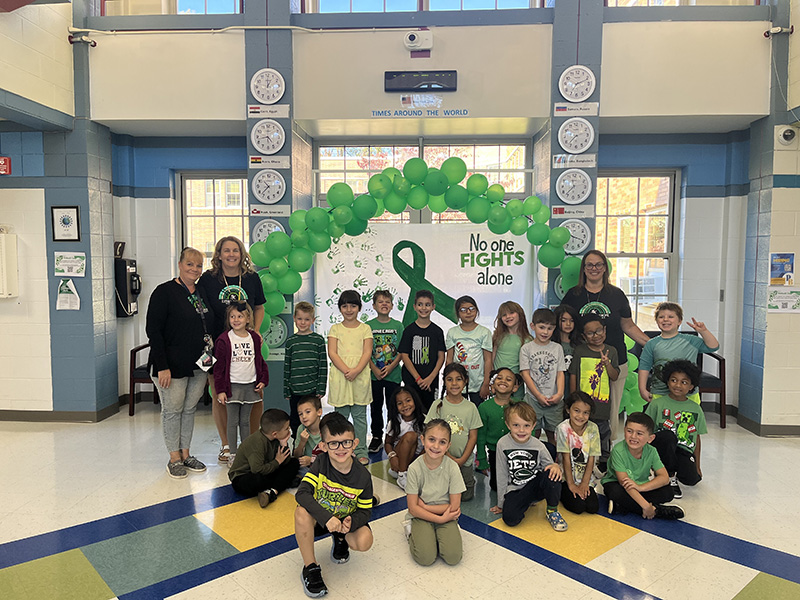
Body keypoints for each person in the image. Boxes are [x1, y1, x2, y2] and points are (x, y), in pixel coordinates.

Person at [562, 250, 650, 440]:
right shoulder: (573, 295)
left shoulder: (616, 295)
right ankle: (581, 451)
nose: (594, 269)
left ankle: (605, 455)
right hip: (583, 362)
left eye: (598, 264)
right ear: (584, 269)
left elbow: (628, 325)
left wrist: (651, 345)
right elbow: (565, 325)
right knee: (581, 409)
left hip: (614, 362)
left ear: (605, 268)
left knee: (609, 412)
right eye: (589, 265)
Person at [197, 236, 266, 464]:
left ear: (241, 253)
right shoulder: (208, 279)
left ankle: (251, 442)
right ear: (218, 254)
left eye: (235, 250)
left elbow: (259, 307)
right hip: (217, 346)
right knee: (219, 392)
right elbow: (201, 309)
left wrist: (254, 331)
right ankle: (227, 444)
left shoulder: (251, 278)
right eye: (226, 251)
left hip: (246, 345)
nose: (231, 255)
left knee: (252, 393)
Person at [146, 247, 211, 479]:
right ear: (180, 264)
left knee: (189, 409)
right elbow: (153, 331)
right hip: (170, 366)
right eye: (190, 264)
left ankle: (186, 454)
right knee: (173, 411)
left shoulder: (201, 291)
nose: (194, 269)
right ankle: (174, 458)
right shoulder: (164, 292)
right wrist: (162, 365)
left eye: (198, 265)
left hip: (198, 365)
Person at [295, 413, 374, 598]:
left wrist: (351, 523)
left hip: (343, 521)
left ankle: (340, 540)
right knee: (301, 513)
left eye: (346, 442)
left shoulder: (363, 476)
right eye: (333, 443)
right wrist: (326, 518)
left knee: (364, 541)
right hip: (321, 519)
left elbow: (365, 510)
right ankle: (310, 568)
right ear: (323, 446)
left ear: (354, 443)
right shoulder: (321, 463)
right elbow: (302, 493)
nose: (340, 448)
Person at [491, 402, 568, 531]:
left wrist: (555, 466)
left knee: (553, 474)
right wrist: (501, 504)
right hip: (515, 489)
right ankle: (526, 502)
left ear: (533, 426)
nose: (521, 430)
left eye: (526, 426)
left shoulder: (538, 445)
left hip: (534, 486)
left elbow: (550, 466)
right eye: (516, 425)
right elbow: (502, 474)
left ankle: (552, 511)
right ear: (508, 425)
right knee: (510, 519)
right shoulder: (502, 444)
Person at [213, 302, 270, 464]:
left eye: (240, 316)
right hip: (232, 387)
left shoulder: (253, 337)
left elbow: (260, 362)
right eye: (232, 316)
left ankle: (245, 452)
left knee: (245, 421)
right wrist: (221, 390)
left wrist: (263, 380)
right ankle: (232, 453)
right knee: (232, 421)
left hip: (250, 386)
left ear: (248, 319)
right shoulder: (224, 340)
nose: (236, 320)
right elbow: (219, 368)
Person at [405, 418, 466, 566]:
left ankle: (437, 535)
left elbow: (454, 506)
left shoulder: (452, 468)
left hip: (445, 514)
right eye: (432, 439)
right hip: (421, 516)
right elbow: (413, 508)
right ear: (423, 439)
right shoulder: (414, 468)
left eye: (442, 442)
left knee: (453, 557)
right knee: (425, 558)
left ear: (448, 446)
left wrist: (426, 507)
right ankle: (412, 531)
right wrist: (438, 519)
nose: (436, 446)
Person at [601, 412, 684, 520]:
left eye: (639, 433)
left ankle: (623, 506)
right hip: (618, 484)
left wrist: (640, 487)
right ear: (624, 430)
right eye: (629, 431)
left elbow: (664, 478)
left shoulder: (652, 451)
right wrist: (646, 506)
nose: (633, 436)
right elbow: (624, 482)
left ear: (650, 438)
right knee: (614, 492)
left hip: (639, 486)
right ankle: (657, 511)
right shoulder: (618, 450)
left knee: (667, 492)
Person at [645, 360, 706, 499]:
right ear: (667, 382)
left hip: (682, 450)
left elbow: (696, 438)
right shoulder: (657, 404)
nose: (678, 385)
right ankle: (669, 476)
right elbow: (645, 430)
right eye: (674, 380)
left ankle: (670, 471)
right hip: (661, 447)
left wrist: (697, 465)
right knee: (668, 436)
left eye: (684, 382)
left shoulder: (695, 408)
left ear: (691, 387)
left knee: (692, 479)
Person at [638, 302, 719, 405]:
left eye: (671, 317)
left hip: (688, 395)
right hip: (660, 393)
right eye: (661, 317)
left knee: (688, 421)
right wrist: (642, 389)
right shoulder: (651, 344)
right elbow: (644, 367)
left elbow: (714, 346)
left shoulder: (691, 341)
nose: (666, 319)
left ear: (679, 321)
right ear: (656, 320)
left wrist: (703, 331)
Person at [327, 290, 373, 465]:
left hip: (359, 376)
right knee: (340, 417)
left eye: (353, 305)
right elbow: (332, 352)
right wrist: (347, 370)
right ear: (340, 308)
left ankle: (361, 449)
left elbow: (367, 352)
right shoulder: (335, 328)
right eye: (345, 306)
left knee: (360, 417)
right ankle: (341, 450)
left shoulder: (365, 328)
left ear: (359, 308)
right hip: (341, 377)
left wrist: (356, 370)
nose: (349, 309)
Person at [568, 314, 620, 469]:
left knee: (603, 433)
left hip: (602, 406)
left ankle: (604, 462)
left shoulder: (612, 351)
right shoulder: (580, 351)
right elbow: (573, 375)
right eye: (590, 333)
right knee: (581, 433)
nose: (596, 336)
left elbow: (614, 376)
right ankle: (579, 460)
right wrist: (572, 400)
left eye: (599, 331)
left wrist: (607, 364)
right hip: (582, 405)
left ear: (604, 330)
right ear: (584, 336)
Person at [424, 363, 482, 501]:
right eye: (449, 379)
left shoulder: (471, 407)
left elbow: (473, 437)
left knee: (466, 496)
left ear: (465, 381)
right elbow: (429, 435)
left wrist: (462, 460)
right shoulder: (438, 405)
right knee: (439, 493)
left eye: (459, 379)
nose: (454, 383)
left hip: (464, 461)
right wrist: (448, 456)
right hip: (440, 459)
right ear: (444, 381)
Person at [228, 409, 299, 508]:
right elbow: (257, 470)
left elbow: (285, 461)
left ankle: (271, 492)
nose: (289, 430)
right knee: (258, 480)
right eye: (287, 428)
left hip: (266, 470)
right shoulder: (257, 442)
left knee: (294, 462)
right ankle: (281, 483)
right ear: (274, 433)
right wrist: (277, 462)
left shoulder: (276, 439)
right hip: (244, 477)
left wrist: (284, 444)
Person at [519, 308, 566, 447]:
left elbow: (560, 373)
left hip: (554, 400)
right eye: (542, 327)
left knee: (554, 434)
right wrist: (538, 395)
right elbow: (525, 374)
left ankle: (554, 462)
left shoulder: (557, 348)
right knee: (533, 433)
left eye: (550, 328)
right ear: (533, 326)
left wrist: (559, 394)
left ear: (554, 329)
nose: (545, 332)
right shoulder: (526, 348)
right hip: (533, 399)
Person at [366, 290, 404, 453]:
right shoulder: (368, 326)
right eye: (380, 301)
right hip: (374, 376)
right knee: (375, 407)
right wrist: (374, 368)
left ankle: (392, 436)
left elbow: (402, 351)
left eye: (387, 301)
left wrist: (391, 366)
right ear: (374, 306)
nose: (384, 304)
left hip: (393, 374)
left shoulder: (398, 326)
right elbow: (365, 351)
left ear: (392, 306)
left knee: (393, 407)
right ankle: (376, 437)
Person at [284, 301, 327, 436]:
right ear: (294, 319)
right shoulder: (291, 342)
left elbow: (323, 366)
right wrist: (286, 389)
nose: (303, 322)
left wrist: (321, 388)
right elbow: (287, 367)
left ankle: (315, 449)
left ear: (313, 320)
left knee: (313, 420)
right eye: (300, 319)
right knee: (296, 420)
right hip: (295, 390)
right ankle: (298, 448)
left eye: (307, 319)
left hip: (312, 390)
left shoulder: (318, 340)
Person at [399, 289, 446, 411]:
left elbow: (441, 356)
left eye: (427, 304)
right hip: (412, 381)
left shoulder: (437, 331)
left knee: (431, 412)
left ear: (433, 307)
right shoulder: (409, 330)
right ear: (414, 307)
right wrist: (418, 378)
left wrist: (430, 378)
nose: (423, 308)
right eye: (420, 304)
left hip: (431, 382)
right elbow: (404, 356)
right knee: (412, 412)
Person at [477, 367, 521, 491]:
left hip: (515, 452)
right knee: (496, 487)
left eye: (508, 379)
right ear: (493, 385)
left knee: (516, 484)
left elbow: (529, 426)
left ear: (515, 388)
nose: (503, 381)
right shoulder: (484, 407)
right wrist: (481, 459)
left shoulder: (519, 405)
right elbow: (480, 435)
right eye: (499, 378)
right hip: (494, 452)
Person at [556, 392, 601, 514]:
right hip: (566, 477)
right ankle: (561, 491)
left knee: (592, 508)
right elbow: (565, 458)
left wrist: (585, 484)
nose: (580, 416)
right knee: (578, 507)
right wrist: (571, 485)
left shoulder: (593, 429)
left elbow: (592, 458)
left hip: (585, 477)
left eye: (585, 412)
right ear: (568, 410)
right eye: (577, 410)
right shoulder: (562, 428)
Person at [446, 295, 493, 405]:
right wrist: (447, 384)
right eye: (463, 309)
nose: (468, 312)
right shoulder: (452, 332)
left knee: (477, 414)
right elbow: (449, 359)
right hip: (457, 384)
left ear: (477, 310)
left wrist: (486, 384)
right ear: (458, 313)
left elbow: (488, 360)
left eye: (472, 308)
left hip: (478, 384)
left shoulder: (484, 332)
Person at [384, 386, 425, 490]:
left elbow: (428, 445)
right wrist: (392, 457)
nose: (405, 405)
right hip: (400, 456)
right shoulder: (395, 422)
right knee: (411, 436)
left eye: (408, 400)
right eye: (400, 403)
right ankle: (402, 475)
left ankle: (406, 471)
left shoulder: (424, 420)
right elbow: (388, 443)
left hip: (417, 457)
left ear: (414, 400)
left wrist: (420, 463)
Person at [491, 301, 532, 399]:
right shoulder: (498, 337)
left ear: (520, 314)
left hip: (517, 385)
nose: (508, 316)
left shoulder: (528, 339)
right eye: (504, 315)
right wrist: (491, 381)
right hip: (499, 383)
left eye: (511, 313)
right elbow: (491, 360)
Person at [293, 395, 324, 478]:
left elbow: (331, 456)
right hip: (307, 467)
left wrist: (311, 460)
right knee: (292, 465)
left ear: (319, 412)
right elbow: (296, 455)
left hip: (324, 464)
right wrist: (302, 442)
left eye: (308, 412)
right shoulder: (301, 428)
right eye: (300, 414)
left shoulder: (326, 428)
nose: (304, 416)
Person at [554, 304, 580, 373]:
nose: (568, 324)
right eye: (563, 320)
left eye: (572, 320)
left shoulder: (580, 344)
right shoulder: (551, 344)